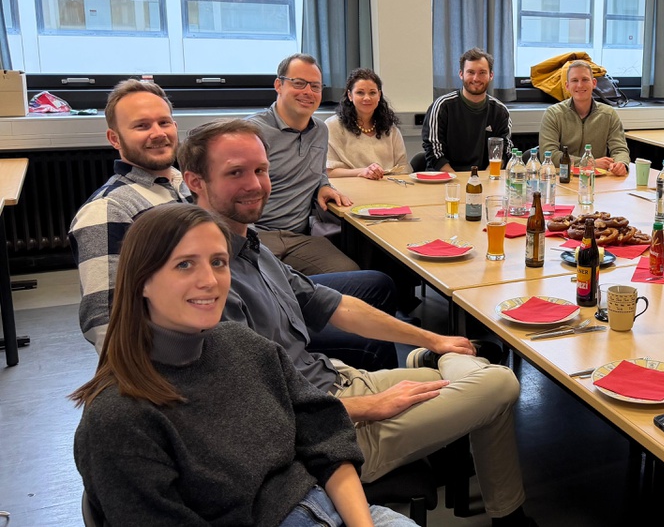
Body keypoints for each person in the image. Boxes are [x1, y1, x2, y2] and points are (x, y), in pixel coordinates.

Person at [176, 121, 535, 526]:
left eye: (261, 170)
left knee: (481, 374)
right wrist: (370, 406)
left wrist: (434, 339)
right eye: (235, 173)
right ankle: (435, 368)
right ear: (195, 182)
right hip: (322, 432)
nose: (256, 184)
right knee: (499, 383)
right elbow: (255, 412)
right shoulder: (206, 284)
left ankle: (507, 515)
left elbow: (337, 306)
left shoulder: (253, 247)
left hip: (335, 381)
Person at [71, 203, 414, 527]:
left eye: (218, 262)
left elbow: (327, 439)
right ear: (142, 280)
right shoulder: (119, 418)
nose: (210, 280)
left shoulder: (244, 345)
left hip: (337, 509)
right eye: (184, 264)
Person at [71, 79, 187, 353]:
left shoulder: (187, 185)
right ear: (114, 139)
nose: (158, 133)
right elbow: (104, 320)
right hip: (170, 355)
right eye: (142, 126)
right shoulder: (108, 209)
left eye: (164, 122)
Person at [246, 53, 358, 276]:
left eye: (315, 86)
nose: (308, 92)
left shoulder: (320, 130)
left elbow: (318, 170)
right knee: (261, 285)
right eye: (299, 83)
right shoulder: (252, 132)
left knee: (353, 276)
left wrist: (323, 185)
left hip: (299, 237)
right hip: (256, 234)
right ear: (278, 85)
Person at [422, 47, 513, 172]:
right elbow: (433, 150)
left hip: (484, 178)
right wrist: (458, 180)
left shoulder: (500, 112)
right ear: (461, 74)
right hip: (445, 178)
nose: (476, 78)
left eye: (482, 73)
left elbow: (504, 152)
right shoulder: (442, 106)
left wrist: (487, 178)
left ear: (491, 75)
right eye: (471, 72)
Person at [538, 60, 630, 175]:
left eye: (585, 79)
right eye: (574, 80)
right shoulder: (553, 114)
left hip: (597, 180)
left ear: (594, 83)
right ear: (567, 86)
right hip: (563, 178)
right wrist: (589, 163)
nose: (580, 85)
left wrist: (621, 163)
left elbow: (619, 149)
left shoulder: (609, 114)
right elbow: (549, 155)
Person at [326, 68, 410, 180]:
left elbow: (403, 169)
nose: (367, 98)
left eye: (372, 93)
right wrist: (362, 172)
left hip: (386, 187)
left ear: (379, 95)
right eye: (360, 93)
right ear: (350, 95)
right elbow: (328, 172)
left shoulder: (390, 129)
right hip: (349, 188)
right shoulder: (332, 126)